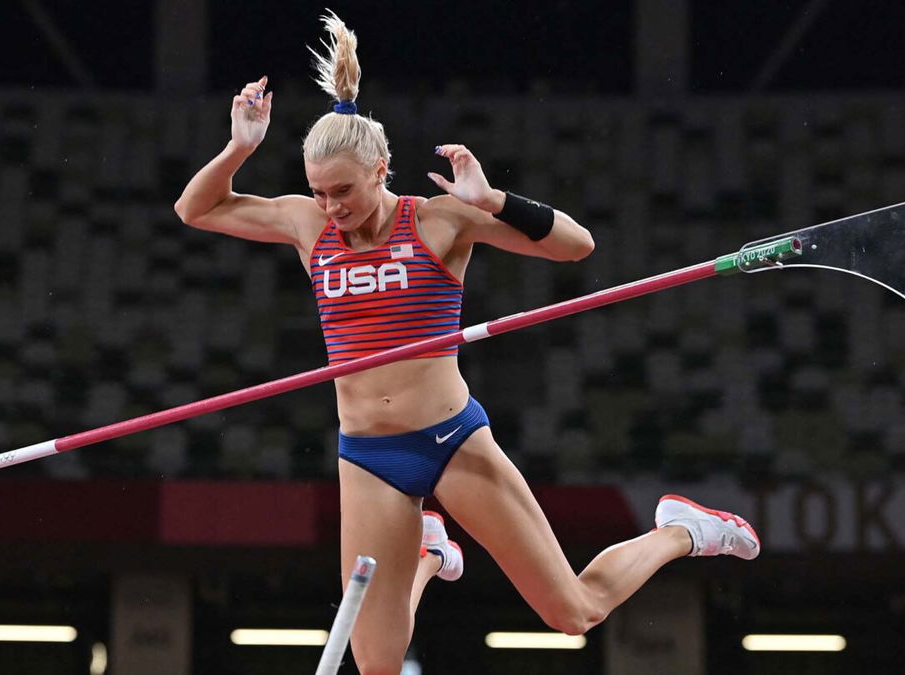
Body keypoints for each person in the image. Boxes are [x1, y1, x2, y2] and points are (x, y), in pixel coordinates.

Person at [175, 12, 760, 674]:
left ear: (382, 170)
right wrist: (239, 149)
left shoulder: (438, 222)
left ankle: (683, 531)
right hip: (367, 456)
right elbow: (197, 210)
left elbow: (577, 246)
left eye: (343, 190)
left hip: (451, 441)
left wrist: (494, 199)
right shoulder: (307, 224)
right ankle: (429, 553)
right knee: (377, 663)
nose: (331, 205)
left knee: (572, 610)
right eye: (319, 191)